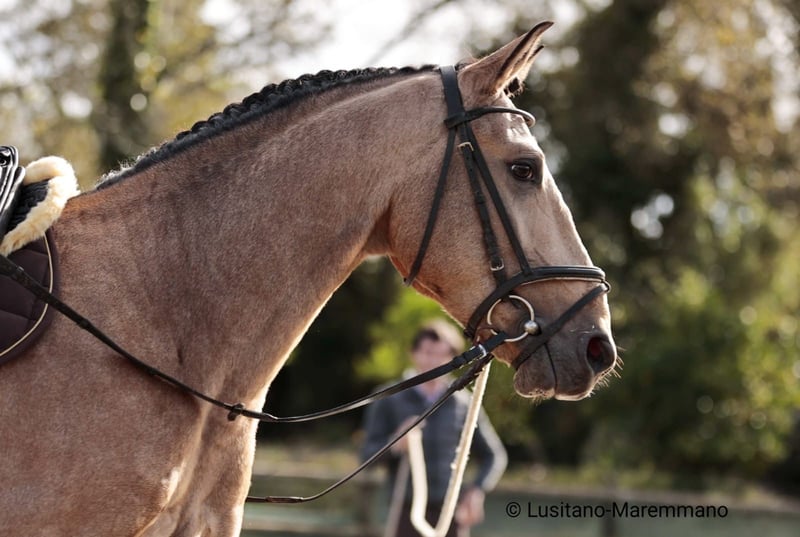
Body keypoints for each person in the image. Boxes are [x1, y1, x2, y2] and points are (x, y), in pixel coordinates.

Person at [360, 320, 507, 537]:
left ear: (452, 359)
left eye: (442, 355)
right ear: (413, 354)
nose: (434, 361)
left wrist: (476, 490)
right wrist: (396, 443)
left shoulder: (463, 402)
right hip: (405, 510)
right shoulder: (389, 398)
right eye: (428, 353)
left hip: (450, 512)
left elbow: (494, 456)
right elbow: (366, 458)